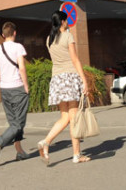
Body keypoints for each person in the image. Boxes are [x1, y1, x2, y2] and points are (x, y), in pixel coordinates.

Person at [36, 10, 90, 166]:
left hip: (57, 80)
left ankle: (46, 142)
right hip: (69, 78)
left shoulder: (49, 39)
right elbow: (75, 60)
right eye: (66, 21)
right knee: (73, 118)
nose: (68, 23)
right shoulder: (68, 36)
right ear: (63, 22)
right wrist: (84, 80)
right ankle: (76, 155)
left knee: (65, 117)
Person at [0, 21, 30, 166]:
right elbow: (22, 68)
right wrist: (26, 86)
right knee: (18, 124)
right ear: (15, 33)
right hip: (17, 88)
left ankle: (19, 151)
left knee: (13, 122)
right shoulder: (18, 47)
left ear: (3, 34)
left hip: (4, 89)